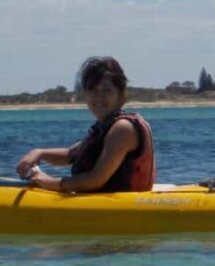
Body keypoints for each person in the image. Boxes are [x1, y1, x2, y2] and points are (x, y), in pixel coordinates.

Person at [16, 56, 156, 192]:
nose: (98, 97)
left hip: (124, 207)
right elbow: (69, 155)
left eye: (107, 90)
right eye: (92, 90)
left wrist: (48, 182)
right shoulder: (105, 126)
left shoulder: (123, 129)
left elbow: (95, 180)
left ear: (121, 96)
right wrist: (39, 153)